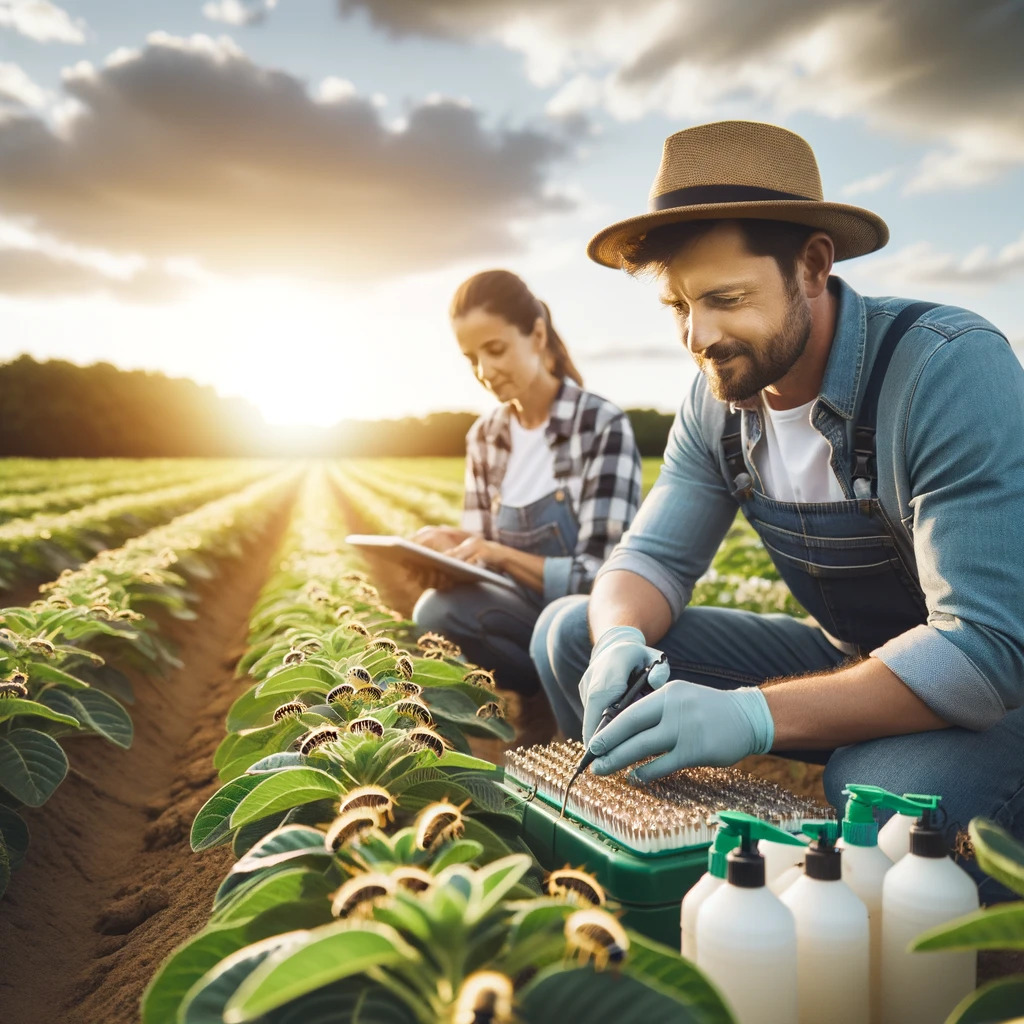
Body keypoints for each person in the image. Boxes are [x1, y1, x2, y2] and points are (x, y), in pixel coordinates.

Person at [531, 120, 1024, 897]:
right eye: (679, 306)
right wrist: (620, 635)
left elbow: (984, 652)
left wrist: (750, 719)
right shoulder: (718, 399)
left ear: (813, 265)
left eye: (727, 299)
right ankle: (670, 883)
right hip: (853, 661)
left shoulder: (946, 369)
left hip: (997, 696)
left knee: (882, 791)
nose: (699, 336)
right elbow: (650, 558)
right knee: (570, 634)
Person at [412, 269, 643, 743]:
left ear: (537, 335)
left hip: (589, 623)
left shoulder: (600, 425)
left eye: (494, 350)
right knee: (434, 611)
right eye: (471, 358)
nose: (483, 371)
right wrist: (448, 548)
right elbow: (482, 559)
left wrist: (496, 553)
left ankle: (591, 704)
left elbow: (605, 576)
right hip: (520, 614)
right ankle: (538, 698)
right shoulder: (486, 436)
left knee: (561, 627)